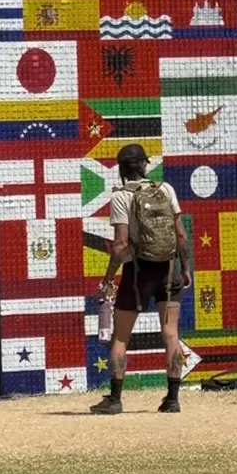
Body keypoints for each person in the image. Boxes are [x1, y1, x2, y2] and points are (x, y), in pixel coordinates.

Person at [89, 144, 191, 415]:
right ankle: (172, 398)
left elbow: (121, 245)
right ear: (145, 165)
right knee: (171, 334)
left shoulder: (122, 196)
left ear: (122, 169)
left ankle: (115, 398)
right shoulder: (166, 189)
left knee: (121, 337)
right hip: (169, 268)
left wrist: (109, 277)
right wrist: (186, 268)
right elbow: (181, 235)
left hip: (138, 272)